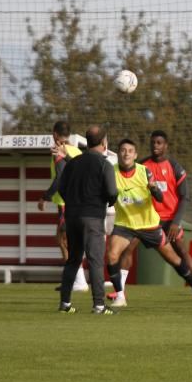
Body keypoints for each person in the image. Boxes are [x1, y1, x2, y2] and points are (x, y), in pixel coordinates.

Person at [105, 138, 192, 308]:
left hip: (149, 224)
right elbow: (106, 194)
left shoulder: (144, 172)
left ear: (135, 155)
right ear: (118, 154)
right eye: (122, 150)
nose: (126, 153)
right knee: (113, 254)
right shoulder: (110, 172)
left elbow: (160, 197)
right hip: (125, 225)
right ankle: (120, 296)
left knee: (174, 258)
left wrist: (154, 189)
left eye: (130, 150)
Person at [56, 125, 119, 314]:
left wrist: (74, 203)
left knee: (73, 260)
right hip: (92, 218)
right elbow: (111, 191)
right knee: (95, 260)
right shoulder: (104, 164)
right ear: (103, 142)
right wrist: (109, 201)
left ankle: (65, 304)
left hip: (72, 217)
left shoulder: (74, 163)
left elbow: (62, 188)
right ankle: (99, 305)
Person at [37, 121, 88, 292]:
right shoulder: (77, 151)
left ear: (55, 134)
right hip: (76, 202)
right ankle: (76, 279)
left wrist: (45, 197)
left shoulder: (59, 152)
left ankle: (78, 281)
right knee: (63, 239)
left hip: (66, 203)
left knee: (64, 240)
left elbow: (60, 178)